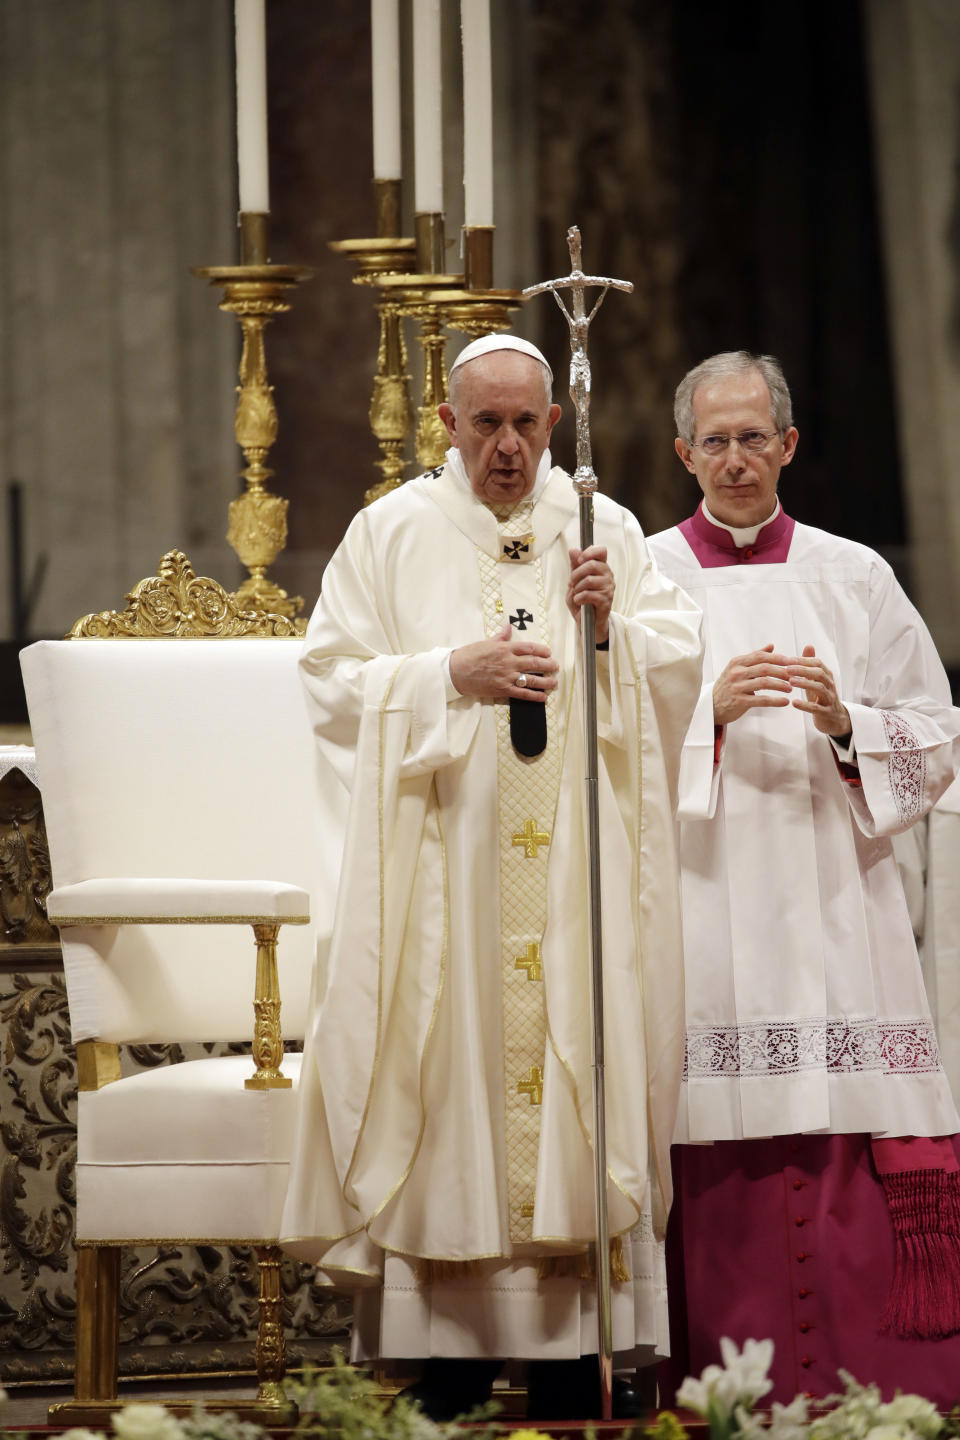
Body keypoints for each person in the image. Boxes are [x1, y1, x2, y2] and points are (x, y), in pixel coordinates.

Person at [280, 334, 703, 1419]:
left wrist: (613, 634)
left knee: (578, 1061)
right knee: (451, 1057)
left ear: (554, 423)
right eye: (485, 425)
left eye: (526, 424)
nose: (507, 447)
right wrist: (441, 676)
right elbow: (329, 681)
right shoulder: (393, 532)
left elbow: (675, 663)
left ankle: (577, 1353)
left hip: (573, 869)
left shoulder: (602, 531)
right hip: (445, 871)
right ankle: (450, 1351)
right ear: (447, 424)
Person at [647, 351, 960, 1405]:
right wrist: (707, 715)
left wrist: (846, 723)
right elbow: (595, 753)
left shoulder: (854, 575)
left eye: (754, 437)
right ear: (683, 452)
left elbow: (936, 733)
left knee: (845, 1108)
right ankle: (725, 1393)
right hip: (705, 890)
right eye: (714, 441)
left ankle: (881, 1398)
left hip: (837, 897)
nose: (735, 460)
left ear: (788, 444)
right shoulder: (647, 582)